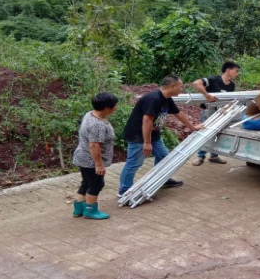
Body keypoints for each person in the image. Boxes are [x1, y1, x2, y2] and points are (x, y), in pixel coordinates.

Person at [118, 75, 203, 197]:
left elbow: (178, 114)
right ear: (172, 86)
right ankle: (124, 190)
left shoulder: (166, 98)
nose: (182, 89)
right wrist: (147, 142)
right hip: (138, 135)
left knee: (163, 156)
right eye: (180, 87)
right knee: (134, 162)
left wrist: (193, 127)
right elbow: (147, 120)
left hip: (154, 134)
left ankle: (162, 179)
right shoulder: (154, 98)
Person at [72, 92, 118, 220]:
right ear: (107, 108)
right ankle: (90, 211)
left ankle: (78, 209)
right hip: (91, 160)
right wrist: (99, 165)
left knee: (86, 182)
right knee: (97, 184)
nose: (116, 107)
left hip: (82, 156)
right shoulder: (97, 125)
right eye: (115, 105)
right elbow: (94, 146)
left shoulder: (90, 114)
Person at [191, 61, 240, 166]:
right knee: (204, 132)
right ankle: (200, 156)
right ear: (228, 70)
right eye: (236, 71)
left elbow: (230, 99)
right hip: (208, 111)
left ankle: (214, 156)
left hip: (221, 113)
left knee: (217, 133)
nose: (237, 73)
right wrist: (207, 95)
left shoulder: (231, 85)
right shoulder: (213, 80)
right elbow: (196, 83)